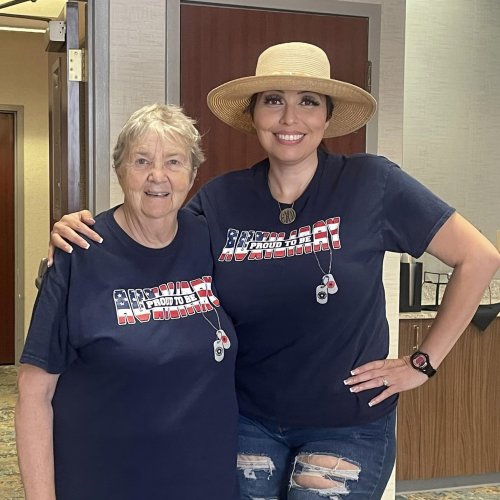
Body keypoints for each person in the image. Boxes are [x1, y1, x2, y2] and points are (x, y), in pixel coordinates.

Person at [47, 43, 500, 499]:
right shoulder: (222, 200)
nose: (289, 118)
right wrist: (85, 235)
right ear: (254, 115)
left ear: (326, 116)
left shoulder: (371, 183)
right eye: (273, 101)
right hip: (249, 419)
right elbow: (151, 237)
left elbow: (479, 258)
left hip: (346, 425)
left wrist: (422, 363)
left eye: (307, 101)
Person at [16, 104, 239, 500]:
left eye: (174, 161)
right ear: (119, 170)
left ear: (192, 175)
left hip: (204, 483)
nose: (158, 176)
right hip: (101, 482)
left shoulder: (212, 240)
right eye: (141, 161)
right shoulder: (78, 252)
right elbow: (34, 395)